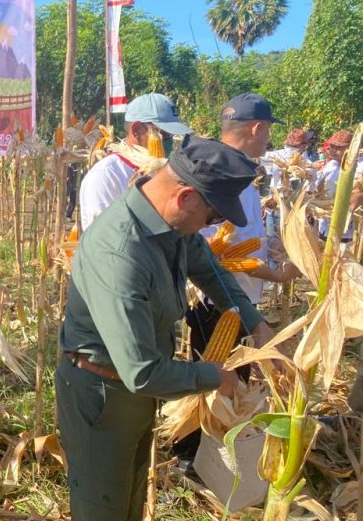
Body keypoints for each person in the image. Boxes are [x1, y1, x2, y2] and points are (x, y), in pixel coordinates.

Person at [56, 135, 274, 520]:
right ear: (186, 197)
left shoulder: (172, 227)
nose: (212, 226)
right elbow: (142, 371)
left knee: (131, 498)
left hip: (137, 390)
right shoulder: (121, 253)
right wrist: (214, 377)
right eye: (213, 217)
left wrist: (253, 321)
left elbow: (211, 272)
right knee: (102, 507)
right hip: (103, 396)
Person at [191, 94, 302, 349]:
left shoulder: (241, 171)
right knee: (221, 382)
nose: (268, 137)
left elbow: (242, 233)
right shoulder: (219, 173)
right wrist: (278, 275)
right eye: (268, 129)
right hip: (218, 301)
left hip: (239, 299)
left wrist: (269, 241)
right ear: (257, 128)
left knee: (237, 383)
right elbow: (218, 251)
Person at [79, 93, 191, 230]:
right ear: (137, 130)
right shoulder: (106, 174)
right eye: (164, 134)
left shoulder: (167, 172)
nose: (169, 142)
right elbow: (102, 236)